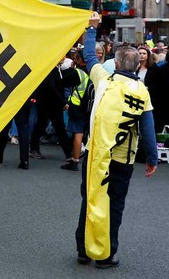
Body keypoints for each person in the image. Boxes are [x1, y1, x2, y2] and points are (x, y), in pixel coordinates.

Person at [77, 14, 157, 269]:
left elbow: (89, 56)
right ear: (136, 67)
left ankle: (83, 249)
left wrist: (91, 30)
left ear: (116, 63)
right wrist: (152, 159)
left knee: (90, 199)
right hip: (122, 157)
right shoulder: (141, 92)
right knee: (115, 204)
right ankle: (106, 254)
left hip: (95, 153)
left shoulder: (103, 80)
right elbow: (148, 129)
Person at [61, 50, 89, 171]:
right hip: (88, 106)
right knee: (84, 133)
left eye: (75, 58)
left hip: (77, 106)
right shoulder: (92, 71)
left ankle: (75, 160)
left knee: (78, 133)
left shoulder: (78, 73)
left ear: (78, 59)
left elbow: (62, 82)